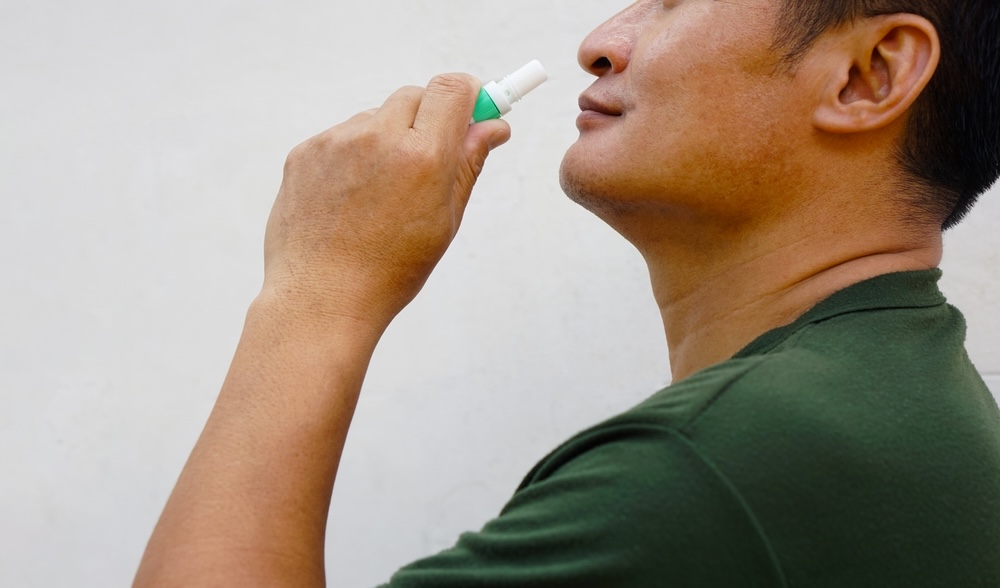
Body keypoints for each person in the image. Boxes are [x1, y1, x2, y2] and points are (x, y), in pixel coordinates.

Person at [134, 0, 1000, 586]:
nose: (603, 39)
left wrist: (317, 290)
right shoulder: (899, 401)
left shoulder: (729, 459)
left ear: (870, 76)